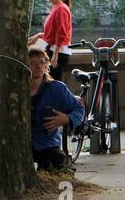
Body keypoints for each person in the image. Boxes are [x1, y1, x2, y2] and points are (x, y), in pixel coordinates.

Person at [28, 34, 84, 171]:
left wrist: (67, 118)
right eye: (33, 63)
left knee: (61, 164)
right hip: (21, 143)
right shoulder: (16, 89)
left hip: (46, 143)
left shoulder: (56, 88)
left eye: (42, 62)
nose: (38, 66)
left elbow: (79, 108)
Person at [42, 0, 72, 83]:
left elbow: (62, 33)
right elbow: (52, 32)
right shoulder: (55, 7)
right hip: (53, 49)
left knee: (53, 84)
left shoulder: (61, 9)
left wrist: (55, 55)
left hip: (58, 52)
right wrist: (38, 36)